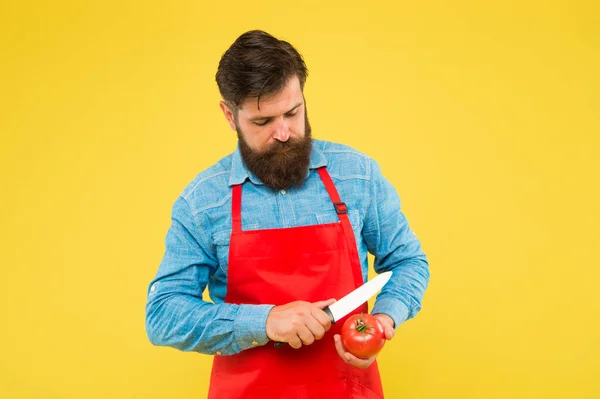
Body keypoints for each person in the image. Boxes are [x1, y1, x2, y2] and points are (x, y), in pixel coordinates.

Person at [145, 30, 429, 399]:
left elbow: (409, 262)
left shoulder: (356, 176)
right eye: (263, 122)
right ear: (230, 115)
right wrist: (264, 321)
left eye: (293, 113)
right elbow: (163, 315)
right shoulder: (203, 202)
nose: (283, 133)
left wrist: (383, 319)